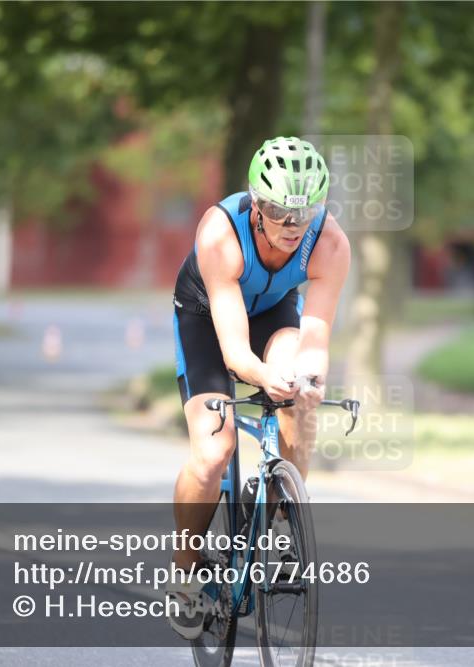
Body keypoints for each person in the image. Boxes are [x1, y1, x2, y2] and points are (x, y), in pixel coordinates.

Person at [165, 136, 350, 639]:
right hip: (208, 315)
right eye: (278, 211)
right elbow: (235, 354)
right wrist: (263, 376)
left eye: (304, 212)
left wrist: (306, 378)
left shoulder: (330, 243)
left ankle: (287, 517)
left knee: (297, 387)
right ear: (256, 205)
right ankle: (183, 576)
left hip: (272, 310)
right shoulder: (220, 233)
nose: (292, 226)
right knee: (213, 451)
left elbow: (315, 336)